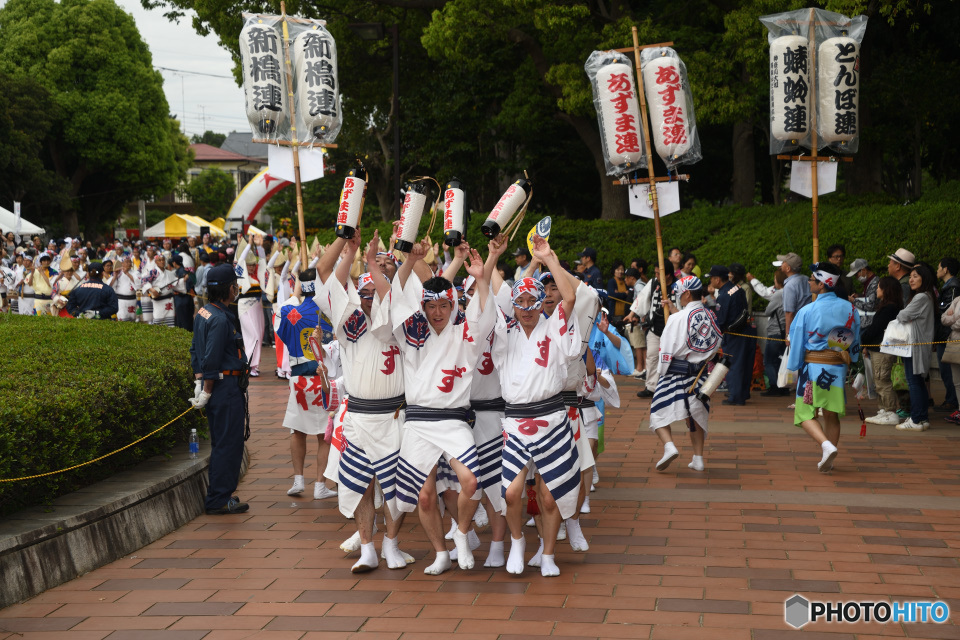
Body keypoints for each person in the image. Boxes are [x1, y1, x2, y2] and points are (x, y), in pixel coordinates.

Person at [388, 237, 495, 575]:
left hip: (454, 422)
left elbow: (485, 314)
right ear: (423, 307)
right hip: (418, 423)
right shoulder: (411, 333)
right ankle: (439, 552)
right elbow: (395, 297)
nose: (437, 313)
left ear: (452, 307)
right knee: (423, 498)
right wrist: (408, 260)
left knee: (471, 482)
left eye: (443, 307)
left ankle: (461, 534)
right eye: (431, 307)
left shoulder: (466, 333)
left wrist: (480, 276)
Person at [315, 230, 409, 573]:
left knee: (397, 488)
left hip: (395, 416)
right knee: (360, 484)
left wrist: (373, 264)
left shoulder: (401, 322)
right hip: (358, 416)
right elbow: (325, 276)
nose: (369, 298)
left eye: (375, 292)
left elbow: (399, 293)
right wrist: (348, 248)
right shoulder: (349, 323)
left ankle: (392, 544)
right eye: (363, 293)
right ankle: (367, 547)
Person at [495, 236, 583, 578]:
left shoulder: (555, 326)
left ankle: (548, 553)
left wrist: (548, 258)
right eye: (521, 302)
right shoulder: (504, 334)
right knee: (513, 492)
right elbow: (491, 300)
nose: (528, 308)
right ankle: (517, 541)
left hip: (551, 418)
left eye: (534, 301)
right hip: (515, 421)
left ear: (541, 303)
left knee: (550, 496)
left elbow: (571, 296)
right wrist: (498, 259)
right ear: (514, 306)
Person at [786, 262, 860, 472]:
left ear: (821, 283)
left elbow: (798, 341)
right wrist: (852, 359)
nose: (809, 282)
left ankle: (826, 445)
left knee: (803, 413)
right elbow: (854, 343)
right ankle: (830, 457)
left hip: (813, 368)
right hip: (837, 367)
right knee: (831, 413)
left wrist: (794, 366)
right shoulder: (850, 309)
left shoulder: (808, 310)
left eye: (812, 279)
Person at [189, 263, 250, 515]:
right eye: (235, 285)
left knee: (222, 442)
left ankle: (221, 494)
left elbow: (196, 350)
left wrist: (199, 381)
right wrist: (207, 389)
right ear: (229, 289)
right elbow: (211, 359)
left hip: (221, 387)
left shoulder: (204, 311)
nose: (237, 289)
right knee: (229, 444)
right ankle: (218, 499)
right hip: (224, 389)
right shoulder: (220, 318)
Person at [649, 275, 722, 472]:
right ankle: (698, 458)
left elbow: (665, 351)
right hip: (701, 376)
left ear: (687, 294)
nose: (678, 298)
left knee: (657, 412)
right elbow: (716, 344)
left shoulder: (677, 318)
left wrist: (660, 374)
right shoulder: (712, 316)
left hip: (675, 373)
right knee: (696, 416)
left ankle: (669, 446)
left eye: (679, 295)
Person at [895, 263, 936, 431]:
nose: (911, 280)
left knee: (914, 382)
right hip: (920, 345)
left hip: (914, 346)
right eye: (910, 276)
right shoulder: (928, 296)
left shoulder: (920, 297)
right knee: (918, 382)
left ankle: (917, 419)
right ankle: (922, 418)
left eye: (915, 276)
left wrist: (904, 314)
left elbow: (902, 315)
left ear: (924, 278)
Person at [708, 265, 754, 406]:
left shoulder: (723, 296)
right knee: (744, 364)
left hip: (734, 334)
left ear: (717, 279)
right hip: (745, 330)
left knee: (734, 364)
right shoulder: (736, 288)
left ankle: (736, 397)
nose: (710, 282)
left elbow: (721, 320)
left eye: (711, 279)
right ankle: (742, 393)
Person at [861, 277, 904, 425]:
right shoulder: (888, 306)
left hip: (882, 349)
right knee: (879, 380)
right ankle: (883, 410)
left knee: (882, 380)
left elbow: (876, 328)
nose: (877, 289)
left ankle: (890, 411)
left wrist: (863, 339)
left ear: (886, 290)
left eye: (879, 287)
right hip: (877, 348)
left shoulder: (889, 308)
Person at [934, 258, 959, 413]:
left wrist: (945, 317)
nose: (937, 270)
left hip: (949, 336)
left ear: (946, 269)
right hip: (944, 335)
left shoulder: (953, 287)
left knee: (948, 370)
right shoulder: (947, 287)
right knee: (946, 371)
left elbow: (949, 316)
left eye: (939, 267)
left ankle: (952, 401)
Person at [759, 270, 790, 396]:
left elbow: (767, 311)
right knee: (780, 360)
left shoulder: (778, 294)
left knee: (769, 360)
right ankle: (783, 386)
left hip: (775, 331)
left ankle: (774, 386)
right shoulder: (790, 292)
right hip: (784, 331)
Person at [778, 252, 811, 341]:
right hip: (809, 325)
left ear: (788, 268)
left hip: (797, 330)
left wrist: (788, 335)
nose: (781, 263)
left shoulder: (790, 286)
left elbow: (789, 313)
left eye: (783, 262)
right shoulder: (807, 279)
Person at [847, 259, 878, 326]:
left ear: (863, 270)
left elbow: (870, 306)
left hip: (871, 323)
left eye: (856, 274)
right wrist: (859, 296)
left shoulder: (874, 283)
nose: (856, 277)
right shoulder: (869, 282)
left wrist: (854, 301)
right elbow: (869, 298)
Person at [605, 260, 630, 328]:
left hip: (624, 315)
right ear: (614, 271)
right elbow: (612, 295)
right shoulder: (612, 282)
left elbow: (629, 294)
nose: (620, 271)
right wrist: (624, 294)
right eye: (618, 269)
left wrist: (618, 294)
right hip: (614, 316)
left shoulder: (626, 282)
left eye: (622, 269)